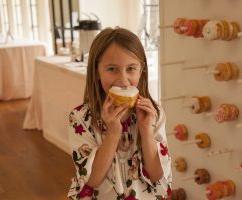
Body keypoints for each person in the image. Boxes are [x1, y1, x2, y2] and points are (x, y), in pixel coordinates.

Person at [67, 27, 172, 200]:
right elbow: (92, 180)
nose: (123, 80)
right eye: (112, 69)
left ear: (141, 70)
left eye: (131, 68)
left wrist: (146, 131)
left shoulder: (153, 114)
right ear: (96, 71)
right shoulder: (80, 119)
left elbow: (156, 175)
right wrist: (113, 133)